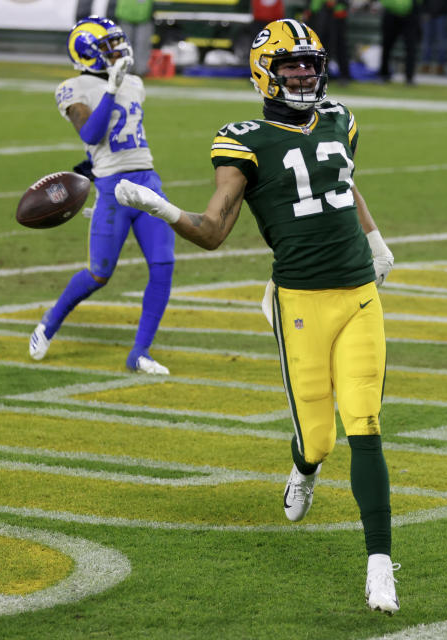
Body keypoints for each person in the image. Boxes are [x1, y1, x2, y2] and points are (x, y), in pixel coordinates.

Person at [114, 18, 400, 613]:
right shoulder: (244, 138)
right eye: (291, 64)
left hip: (359, 294)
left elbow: (343, 183)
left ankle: (379, 563)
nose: (303, 73)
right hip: (300, 299)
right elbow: (215, 231)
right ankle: (303, 468)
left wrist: (374, 239)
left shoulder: (342, 120)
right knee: (318, 440)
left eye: (310, 64)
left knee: (365, 424)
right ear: (265, 71)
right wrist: (161, 207)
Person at [29, 16, 175, 375]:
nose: (118, 51)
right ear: (88, 54)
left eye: (117, 43)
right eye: (108, 46)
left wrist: (118, 83)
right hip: (112, 188)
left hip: (147, 179)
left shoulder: (135, 83)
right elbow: (92, 135)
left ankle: (139, 352)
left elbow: (126, 138)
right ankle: (50, 322)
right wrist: (111, 88)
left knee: (163, 265)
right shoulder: (73, 88)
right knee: (99, 274)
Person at [306, 0, 350, 83]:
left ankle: (344, 75)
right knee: (321, 45)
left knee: (339, 45)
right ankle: (321, 73)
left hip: (337, 14)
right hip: (319, 14)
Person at [378, 0, 420, 85]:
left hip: (410, 15)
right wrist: (394, 6)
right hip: (391, 14)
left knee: (411, 48)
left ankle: (409, 78)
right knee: (386, 47)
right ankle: (384, 75)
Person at [114, 0, 153, 77]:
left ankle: (140, 70)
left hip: (144, 14)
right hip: (124, 14)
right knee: (125, 44)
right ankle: (124, 69)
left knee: (142, 43)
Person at [419, 0, 447, 75]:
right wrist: (424, 11)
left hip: (442, 15)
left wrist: (445, 11)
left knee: (441, 41)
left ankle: (441, 66)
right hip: (428, 14)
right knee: (427, 41)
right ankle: (425, 65)